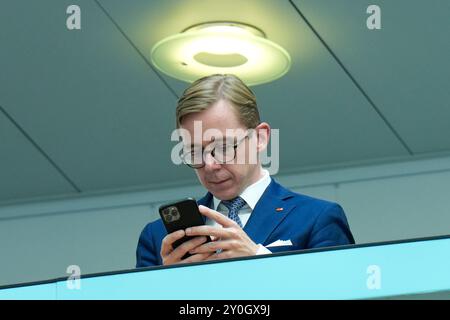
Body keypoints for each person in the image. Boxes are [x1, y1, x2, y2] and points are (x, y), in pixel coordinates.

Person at [136, 74, 354, 267]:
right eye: (194, 152)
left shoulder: (317, 218)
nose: (210, 165)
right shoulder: (158, 237)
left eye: (223, 147)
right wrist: (166, 284)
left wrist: (260, 260)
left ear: (260, 137)